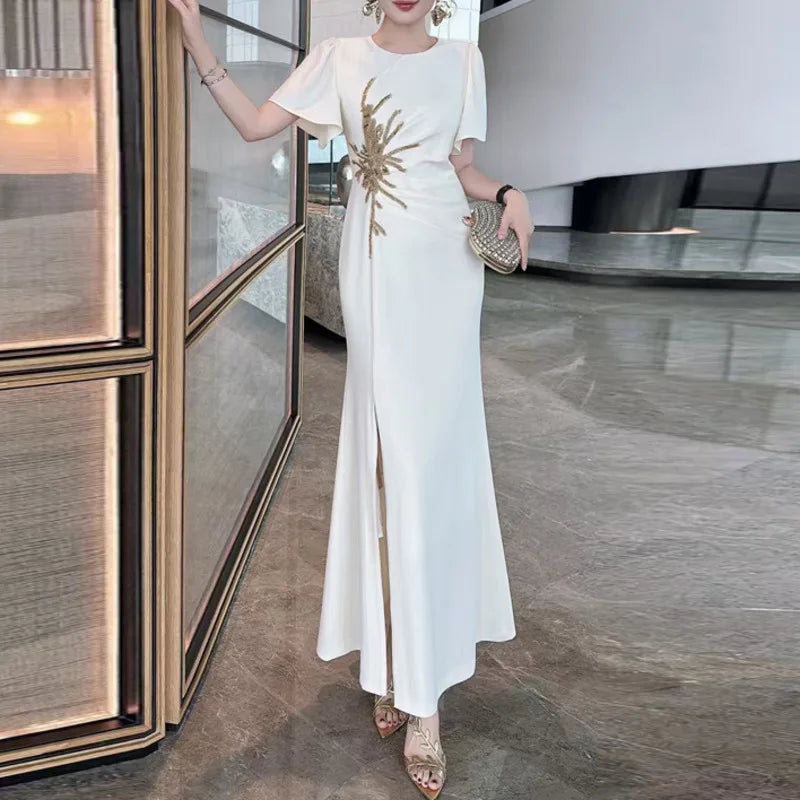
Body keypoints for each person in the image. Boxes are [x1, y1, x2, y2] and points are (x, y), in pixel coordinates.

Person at [167, 0, 532, 795]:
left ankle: (421, 690)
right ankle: (397, 659)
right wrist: (198, 42)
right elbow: (258, 127)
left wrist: (509, 192)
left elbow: (460, 169)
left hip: (446, 271)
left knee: (431, 467)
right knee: (386, 459)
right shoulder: (340, 57)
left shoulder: (464, 62)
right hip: (377, 274)